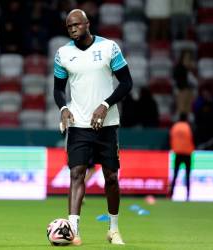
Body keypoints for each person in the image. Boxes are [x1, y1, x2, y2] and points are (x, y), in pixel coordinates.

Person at [53, 9, 133, 245]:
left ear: (87, 24)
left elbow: (127, 82)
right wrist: (63, 108)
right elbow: (58, 89)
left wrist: (106, 104)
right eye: (69, 27)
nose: (72, 29)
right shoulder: (62, 54)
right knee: (76, 174)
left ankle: (113, 229)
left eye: (76, 25)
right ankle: (74, 231)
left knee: (111, 178)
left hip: (107, 125)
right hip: (78, 124)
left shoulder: (109, 48)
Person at [169, 113, 195, 201]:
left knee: (175, 175)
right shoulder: (188, 127)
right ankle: (188, 195)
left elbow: (170, 137)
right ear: (186, 119)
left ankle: (171, 194)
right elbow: (193, 137)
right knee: (187, 175)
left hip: (178, 153)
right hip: (187, 154)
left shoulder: (175, 127)